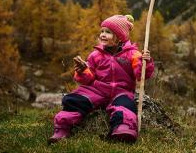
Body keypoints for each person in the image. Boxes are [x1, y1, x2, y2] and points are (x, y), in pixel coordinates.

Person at [48, 14, 154, 144]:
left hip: (121, 91)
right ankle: (62, 128)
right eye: (102, 31)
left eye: (108, 32)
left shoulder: (133, 54)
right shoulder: (95, 55)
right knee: (74, 99)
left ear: (120, 36)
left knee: (125, 105)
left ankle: (123, 129)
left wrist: (146, 63)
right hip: (97, 89)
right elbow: (88, 78)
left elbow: (141, 75)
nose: (103, 34)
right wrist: (82, 71)